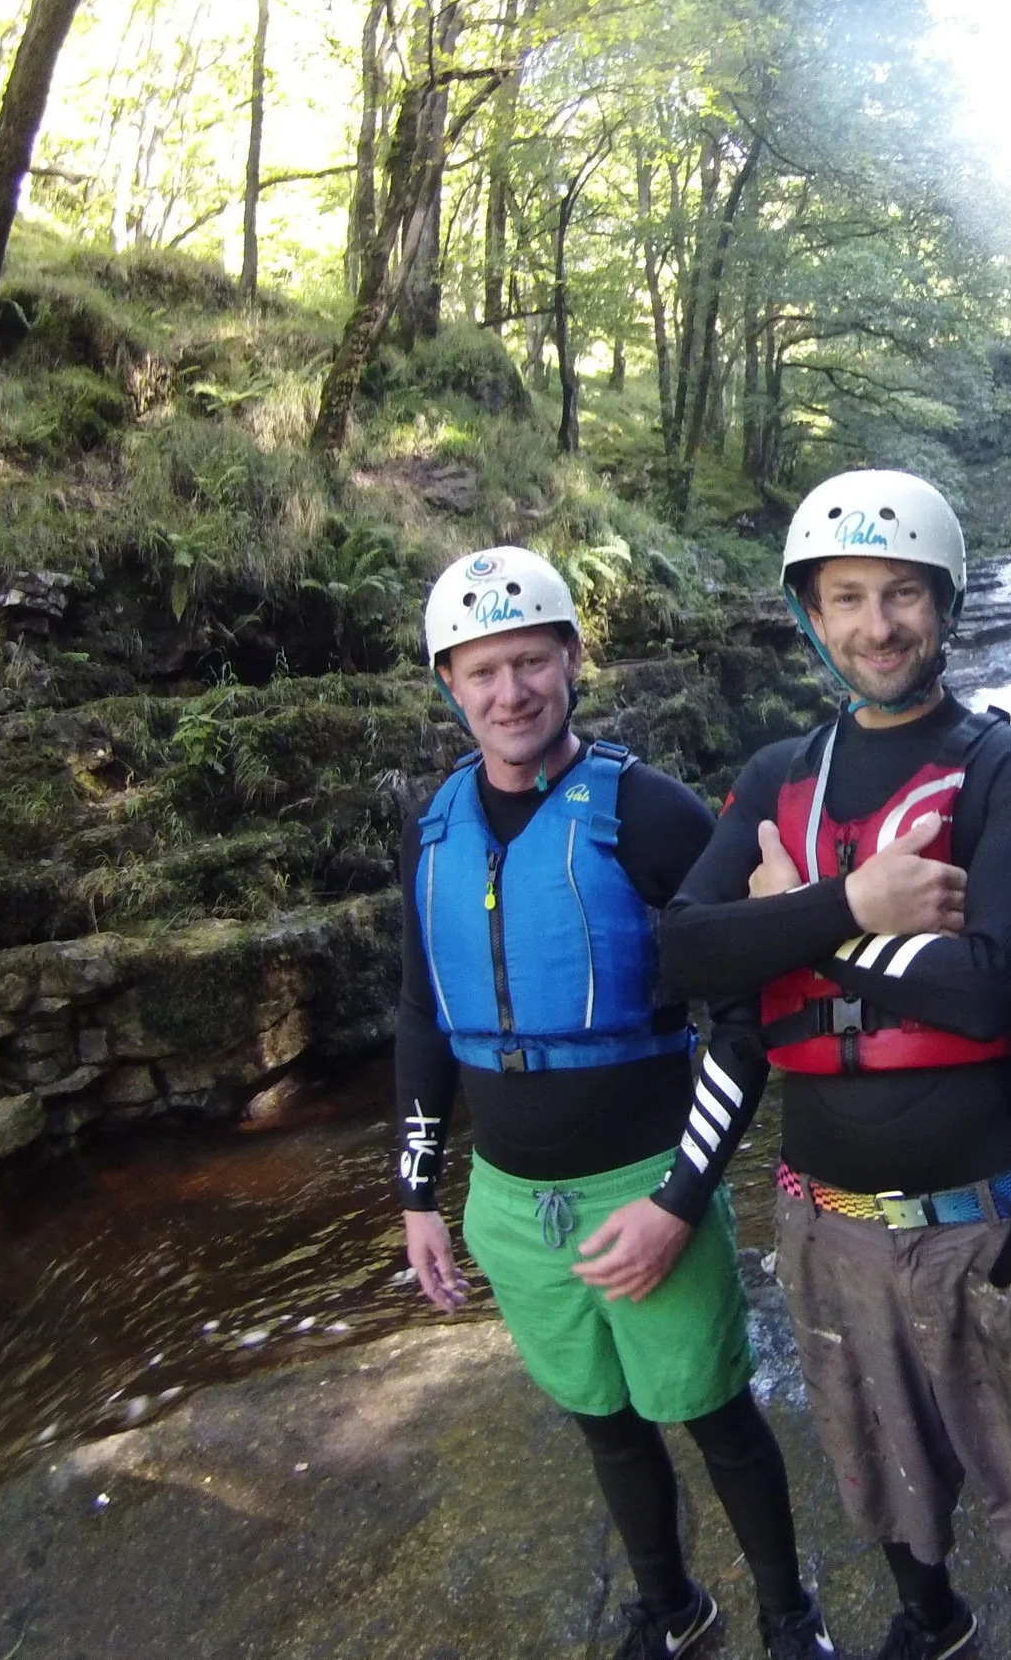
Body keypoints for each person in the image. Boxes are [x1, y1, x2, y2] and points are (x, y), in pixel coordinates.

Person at [646, 470, 1011, 1660]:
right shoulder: (774, 778)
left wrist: (798, 923)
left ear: (945, 603)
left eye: (904, 593)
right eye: (848, 597)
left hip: (984, 1223)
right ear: (813, 616)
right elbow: (677, 951)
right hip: (825, 1219)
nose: (878, 625)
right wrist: (858, 902)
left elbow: (993, 987)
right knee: (875, 1462)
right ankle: (931, 1622)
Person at [392, 545, 831, 1660]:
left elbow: (743, 1018)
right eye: (482, 671)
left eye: (530, 662)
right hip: (508, 1202)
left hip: (644, 1185)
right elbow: (420, 1015)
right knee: (604, 1420)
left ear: (574, 660)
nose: (510, 693)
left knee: (715, 1416)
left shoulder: (648, 812)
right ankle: (673, 1609)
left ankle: (789, 1620)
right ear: (450, 684)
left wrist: (683, 1201)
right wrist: (418, 1195)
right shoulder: (435, 827)